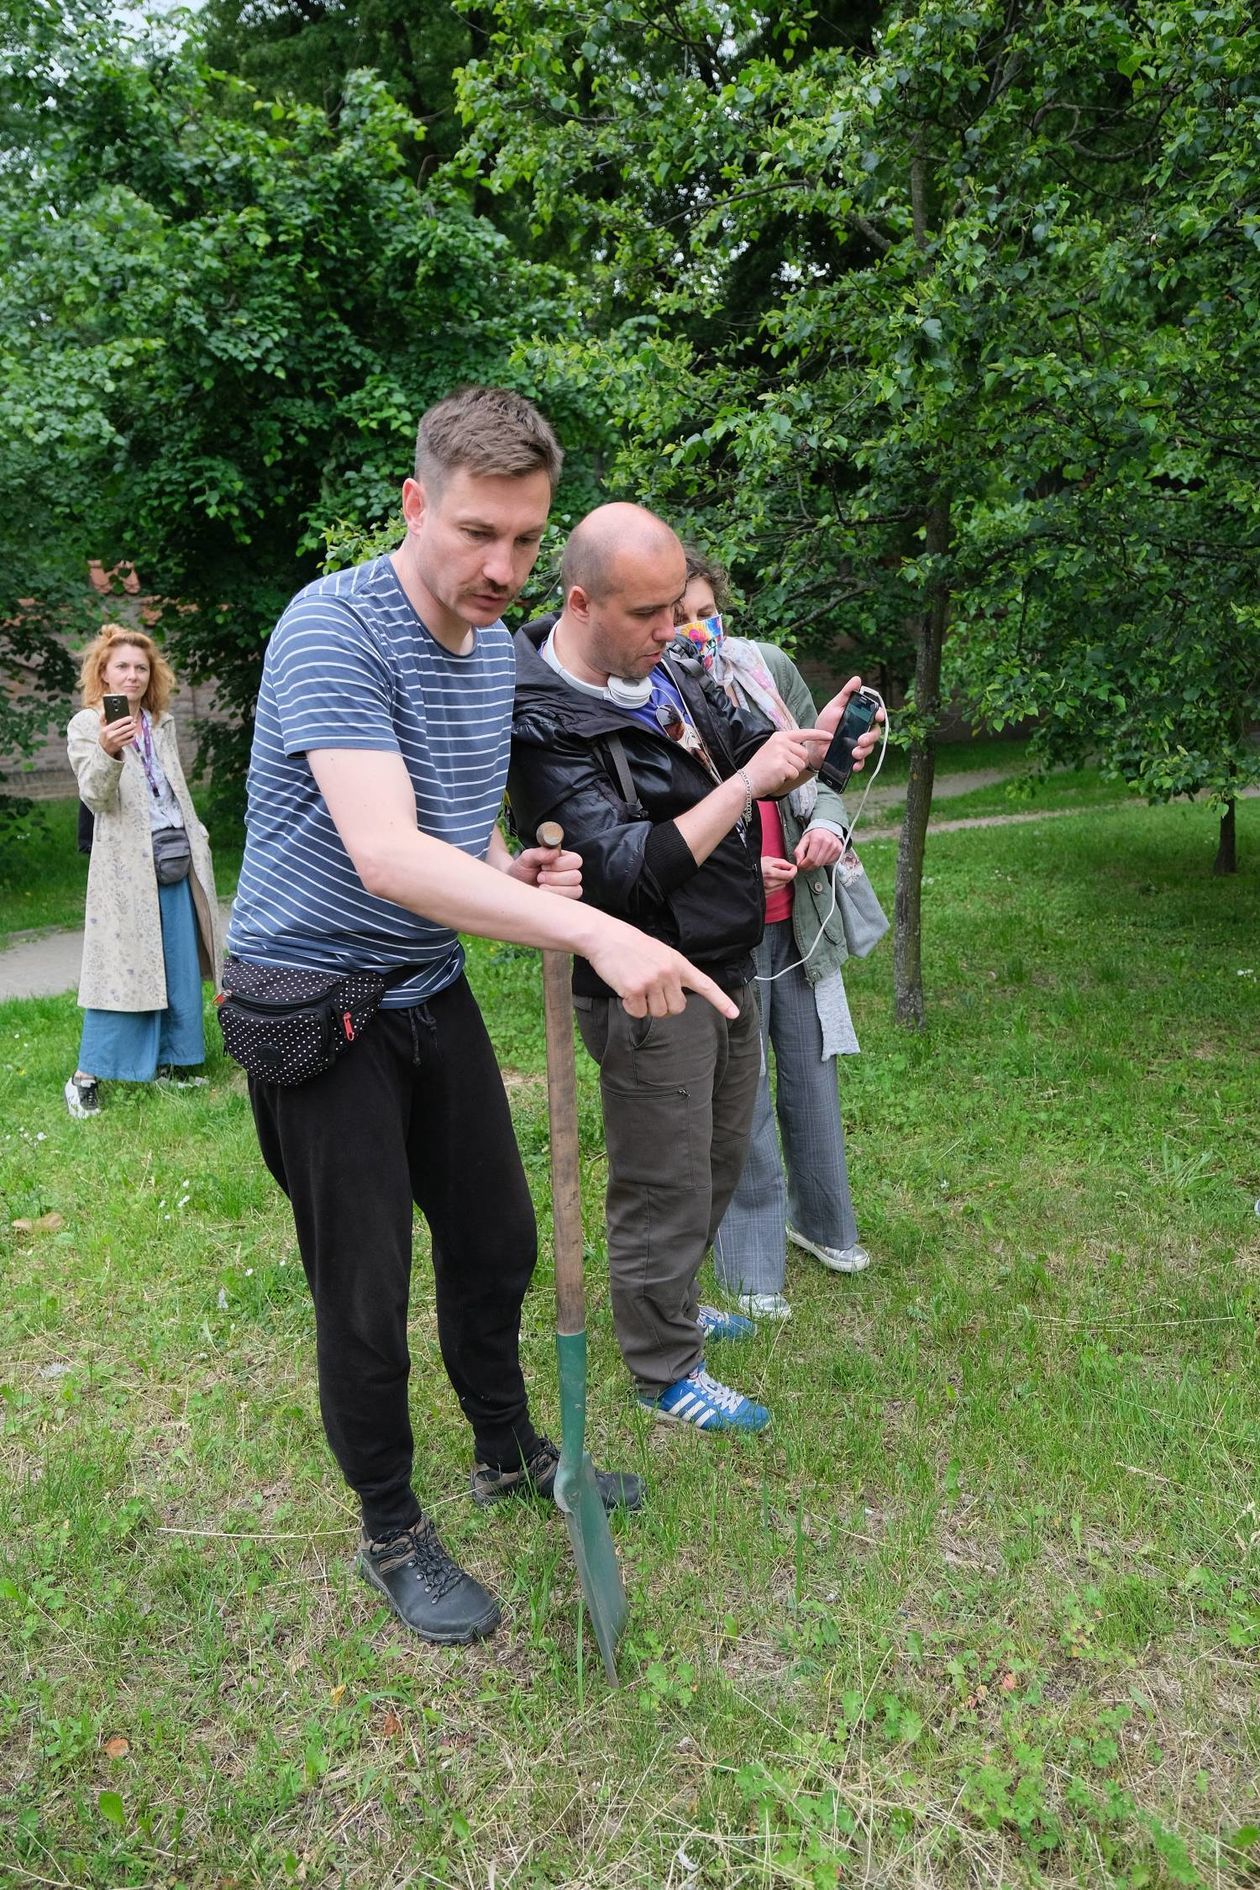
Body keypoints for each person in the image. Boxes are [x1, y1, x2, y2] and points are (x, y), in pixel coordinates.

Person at [225, 387, 739, 1648]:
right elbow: (390, 855)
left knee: (500, 1242)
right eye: (473, 533)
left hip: (422, 985)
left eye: (524, 539)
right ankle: (392, 1529)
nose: (500, 567)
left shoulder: (489, 652)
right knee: (363, 1284)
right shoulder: (331, 632)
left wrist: (510, 872)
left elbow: (451, 836)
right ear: (415, 506)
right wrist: (594, 928)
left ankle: (511, 1454)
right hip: (312, 998)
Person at [508, 504, 882, 1434]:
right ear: (582, 602)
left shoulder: (669, 666)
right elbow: (626, 867)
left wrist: (809, 752)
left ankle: (671, 1301)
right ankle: (663, 1368)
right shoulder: (542, 718)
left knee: (716, 1160)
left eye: (679, 608)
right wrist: (746, 786)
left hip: (728, 955)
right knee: (662, 1177)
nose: (674, 632)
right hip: (647, 980)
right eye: (651, 614)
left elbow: (747, 759)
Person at [677, 553, 881, 1324]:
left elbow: (825, 774)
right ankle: (752, 1266)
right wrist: (735, 875)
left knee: (810, 1071)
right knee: (743, 1097)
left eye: (707, 611)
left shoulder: (764, 668)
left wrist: (826, 827)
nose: (697, 632)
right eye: (678, 618)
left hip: (798, 913)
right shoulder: (655, 699)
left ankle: (824, 1225)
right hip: (722, 927)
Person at [65, 627, 222, 1118]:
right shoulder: (87, 725)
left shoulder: (159, 721)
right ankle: (86, 1076)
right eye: (122, 667)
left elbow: (171, 788)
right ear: (103, 673)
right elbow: (95, 796)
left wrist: (196, 834)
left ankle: (171, 1063)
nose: (132, 675)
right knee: (124, 970)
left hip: (174, 855)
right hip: (125, 869)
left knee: (174, 965)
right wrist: (109, 751)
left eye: (140, 667)